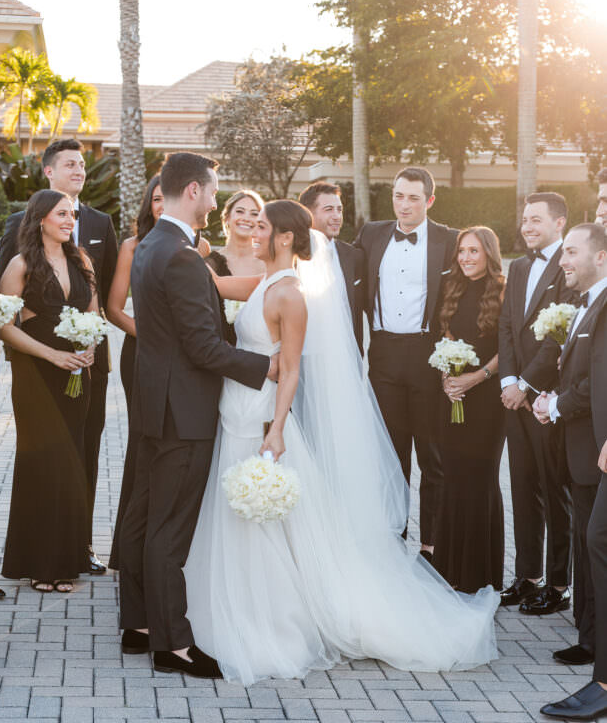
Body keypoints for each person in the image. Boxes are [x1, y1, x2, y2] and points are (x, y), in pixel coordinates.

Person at [185, 201, 498, 685]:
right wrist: (185, 252)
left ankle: (271, 615)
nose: (252, 232)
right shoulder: (265, 282)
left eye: (262, 226)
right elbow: (209, 285)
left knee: (266, 522)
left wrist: (277, 429)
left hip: (260, 420)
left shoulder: (290, 294)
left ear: (285, 238)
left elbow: (291, 371)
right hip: (235, 411)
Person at [117, 152, 274, 677]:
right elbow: (204, 348)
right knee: (169, 528)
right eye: (211, 191)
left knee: (142, 520)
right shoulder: (181, 255)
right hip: (183, 413)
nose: (214, 200)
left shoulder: (152, 244)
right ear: (192, 191)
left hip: (153, 405)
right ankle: (173, 645)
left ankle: (139, 624)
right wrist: (266, 367)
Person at [0, 139, 117, 574]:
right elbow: (3, 321)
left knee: (74, 462)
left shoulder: (82, 258)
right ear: (41, 219)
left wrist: (87, 345)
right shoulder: (21, 265)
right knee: (44, 463)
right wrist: (50, 354)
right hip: (37, 375)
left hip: (79, 373)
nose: (71, 220)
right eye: (63, 214)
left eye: (72, 214)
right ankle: (40, 564)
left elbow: (95, 309)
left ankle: (70, 555)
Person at [354, 167, 458, 559]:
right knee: (390, 455)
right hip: (382, 356)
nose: (405, 205)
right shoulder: (371, 234)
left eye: (414, 198)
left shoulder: (448, 239)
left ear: (429, 201)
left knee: (432, 457)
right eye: (399, 196)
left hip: (428, 357)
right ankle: (392, 539)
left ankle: (431, 546)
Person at [538, 223, 607, 721]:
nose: (563, 261)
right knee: (597, 540)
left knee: (598, 541)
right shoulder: (591, 305)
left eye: (571, 251)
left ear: (601, 257)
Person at [497, 192, 573, 616]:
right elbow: (508, 325)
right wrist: (509, 381)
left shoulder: (567, 265)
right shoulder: (519, 265)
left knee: (553, 489)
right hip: (516, 397)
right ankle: (528, 578)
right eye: (525, 219)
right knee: (523, 488)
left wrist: (527, 386)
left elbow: (558, 336)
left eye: (536, 220)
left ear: (558, 223)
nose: (527, 227)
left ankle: (560, 584)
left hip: (546, 398)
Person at [432, 227, 506, 592]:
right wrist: (449, 375)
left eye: (474, 251)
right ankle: (449, 570)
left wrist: (476, 377)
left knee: (480, 480)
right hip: (453, 397)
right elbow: (445, 336)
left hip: (488, 401)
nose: (466, 258)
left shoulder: (504, 290)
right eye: (462, 251)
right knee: (453, 478)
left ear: (489, 254)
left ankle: (481, 575)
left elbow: (510, 348)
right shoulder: (452, 289)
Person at [107, 174, 163, 577]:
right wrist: (153, 334)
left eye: (167, 198)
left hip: (184, 358)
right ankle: (128, 553)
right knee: (143, 441)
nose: (162, 206)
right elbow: (114, 309)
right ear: (149, 203)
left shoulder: (201, 246)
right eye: (156, 199)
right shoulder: (132, 246)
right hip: (141, 352)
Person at [299, 182, 365, 354]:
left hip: (345, 355)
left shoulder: (353, 256)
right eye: (329, 209)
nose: (337, 216)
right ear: (308, 213)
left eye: (339, 209)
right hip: (302, 354)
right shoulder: (293, 255)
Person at [205, 189, 264, 343]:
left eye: (254, 213)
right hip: (223, 352)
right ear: (227, 218)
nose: (246, 218)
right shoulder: (210, 265)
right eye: (240, 211)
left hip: (263, 354)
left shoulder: (270, 263)